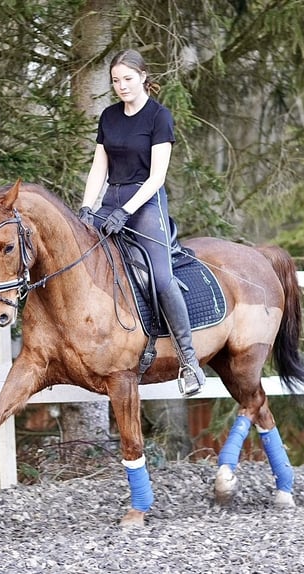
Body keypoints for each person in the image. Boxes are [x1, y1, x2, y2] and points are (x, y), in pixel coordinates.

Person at [77, 49, 205, 397]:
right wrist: (88, 207)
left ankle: (189, 361)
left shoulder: (158, 117)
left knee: (161, 278)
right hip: (111, 197)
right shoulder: (109, 116)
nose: (121, 86)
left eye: (128, 79)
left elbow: (157, 177)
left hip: (145, 202)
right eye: (116, 81)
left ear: (144, 77)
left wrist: (125, 212)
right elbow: (98, 168)